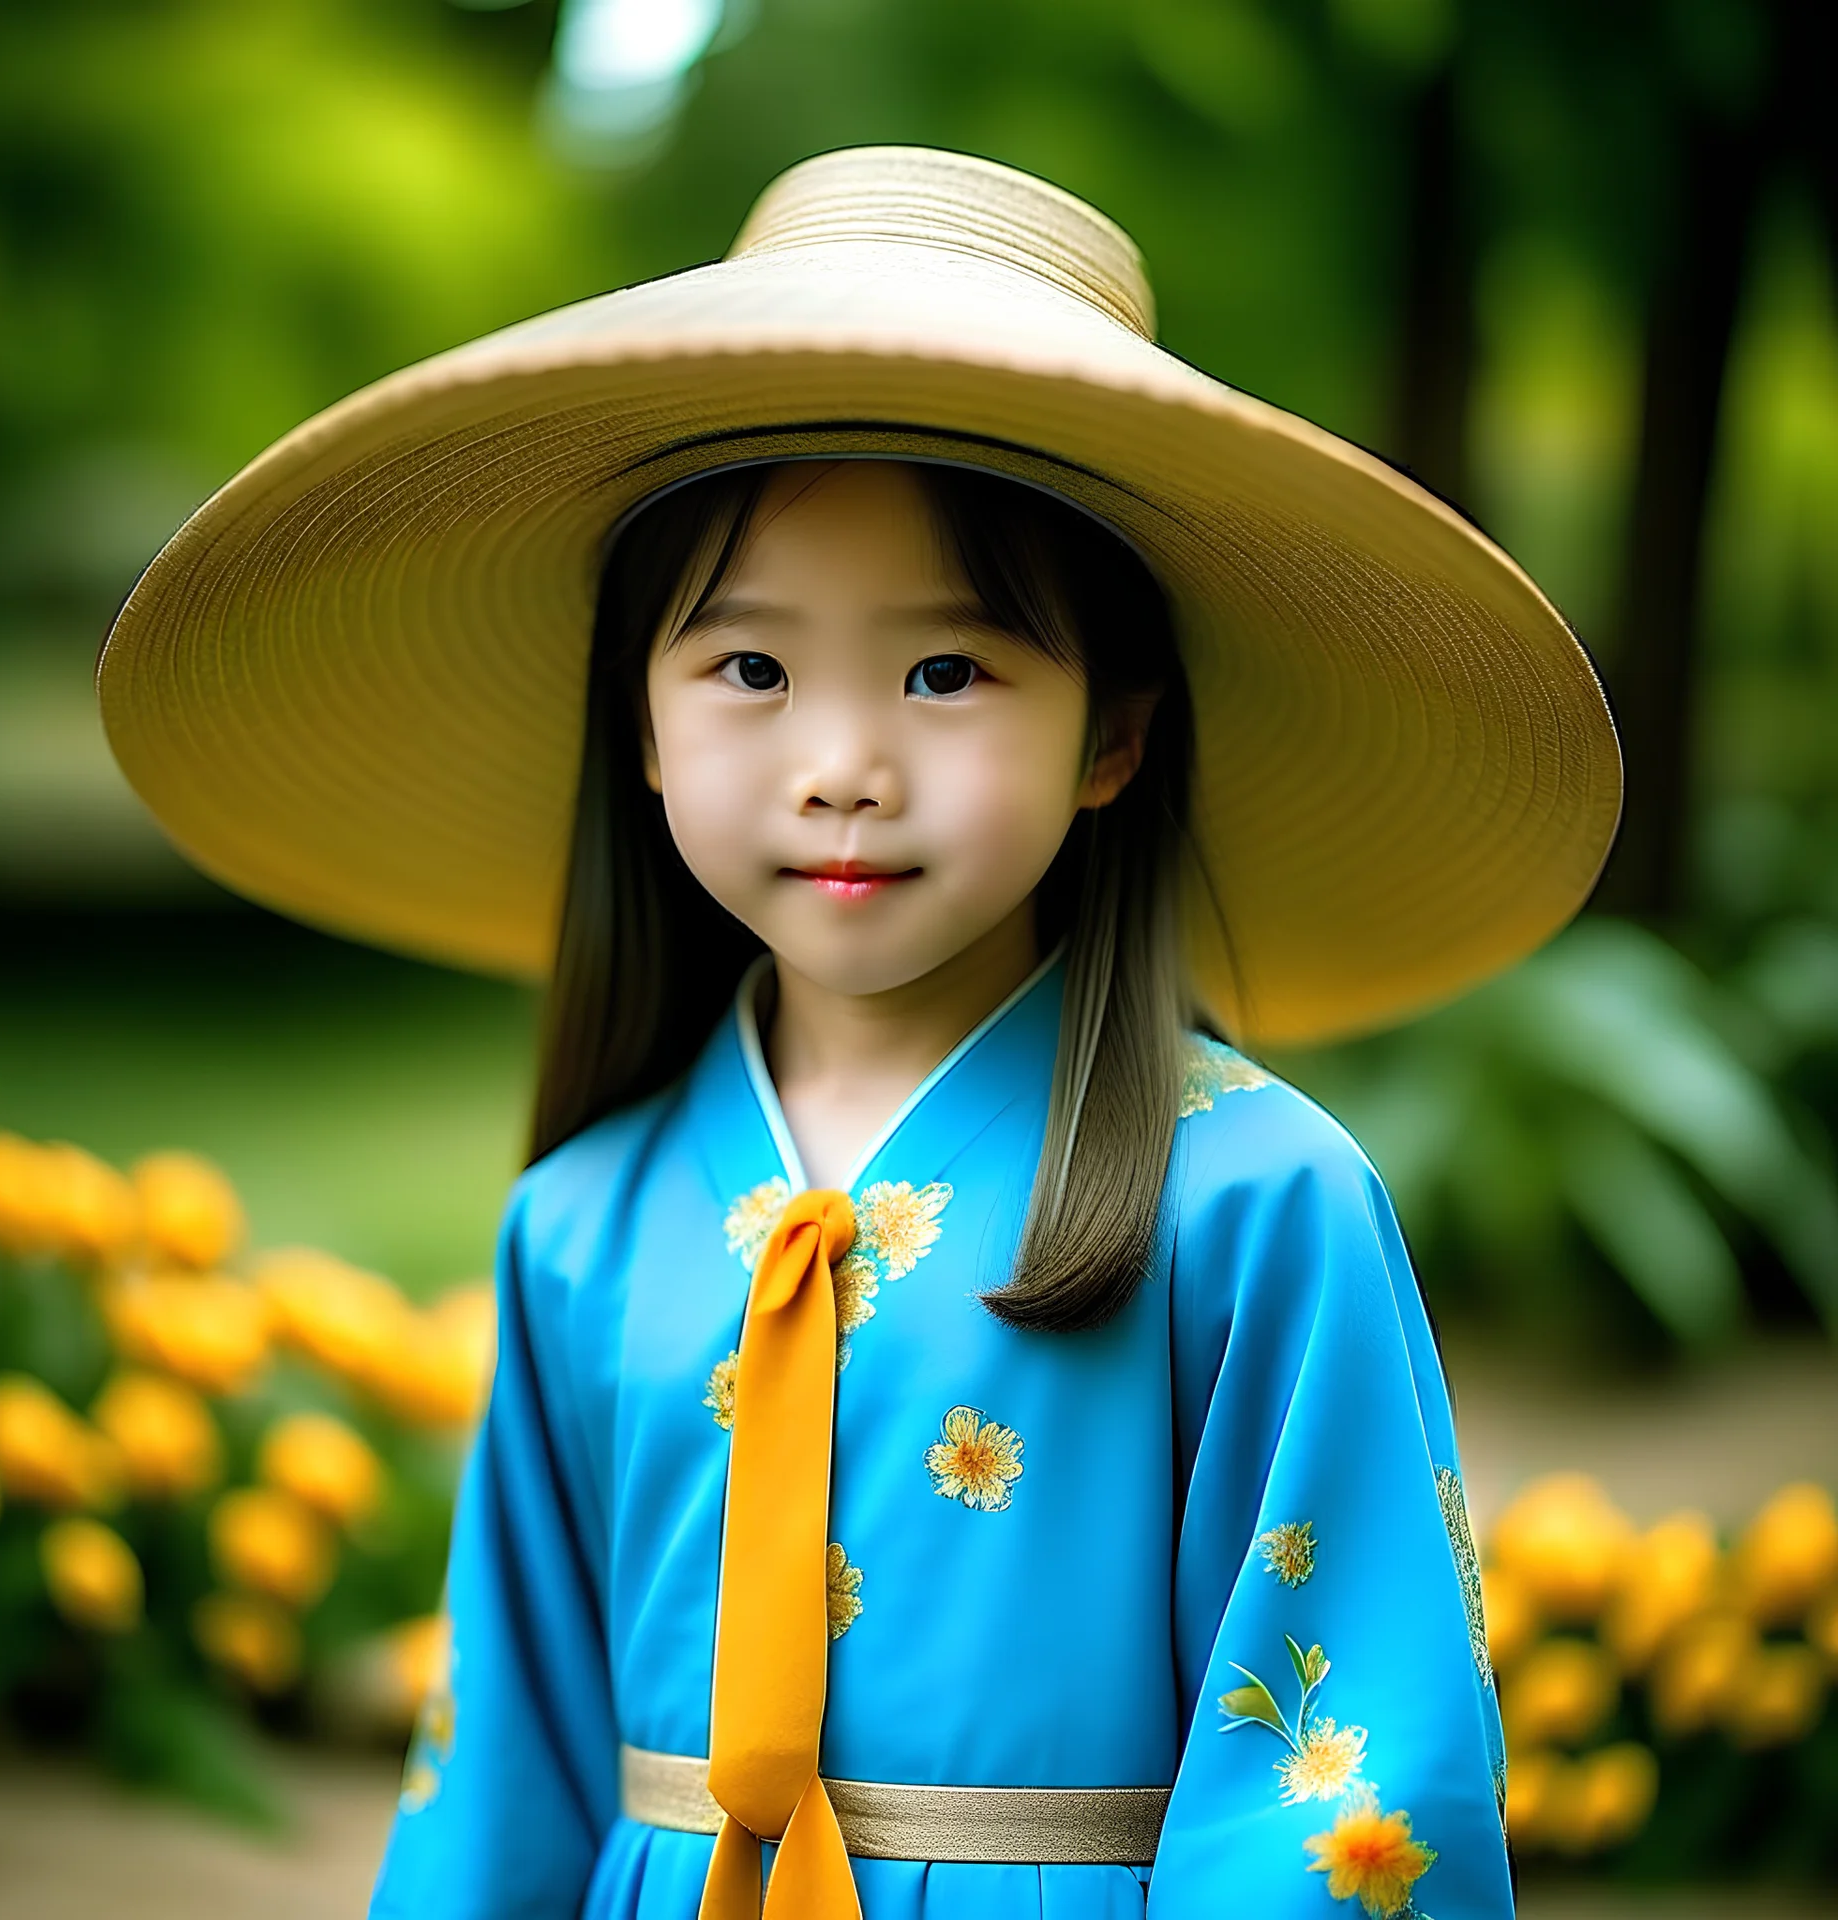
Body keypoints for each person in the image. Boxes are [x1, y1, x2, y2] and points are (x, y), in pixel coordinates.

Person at [98, 146, 1621, 1920]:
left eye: (948, 671)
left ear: (1113, 736)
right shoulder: (581, 1229)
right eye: (749, 671)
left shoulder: (1264, 1199)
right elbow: (500, 1773)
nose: (841, 763)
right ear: (642, 730)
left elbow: (1348, 1757)